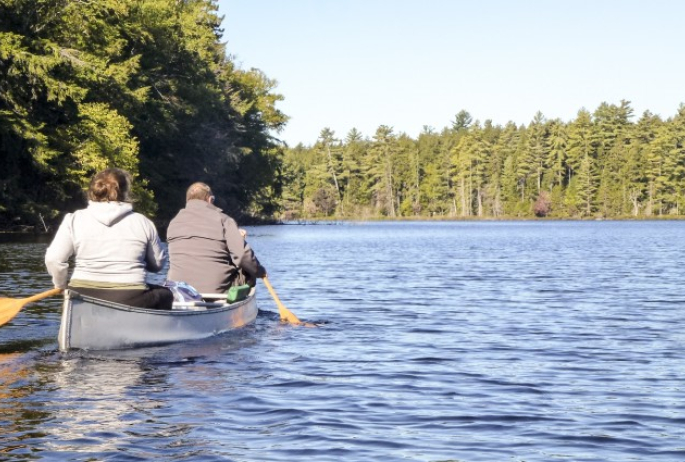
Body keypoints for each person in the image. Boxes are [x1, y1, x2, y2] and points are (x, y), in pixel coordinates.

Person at [45, 168, 173, 309]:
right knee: (166, 294)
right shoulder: (143, 222)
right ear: (125, 192)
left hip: (81, 295)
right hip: (129, 296)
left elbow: (53, 259)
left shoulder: (73, 219)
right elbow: (158, 265)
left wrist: (61, 286)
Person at [166, 182, 266, 294]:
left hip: (178, 290)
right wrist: (260, 271)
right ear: (210, 199)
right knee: (248, 270)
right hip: (216, 290)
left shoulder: (174, 223)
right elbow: (242, 256)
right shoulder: (224, 220)